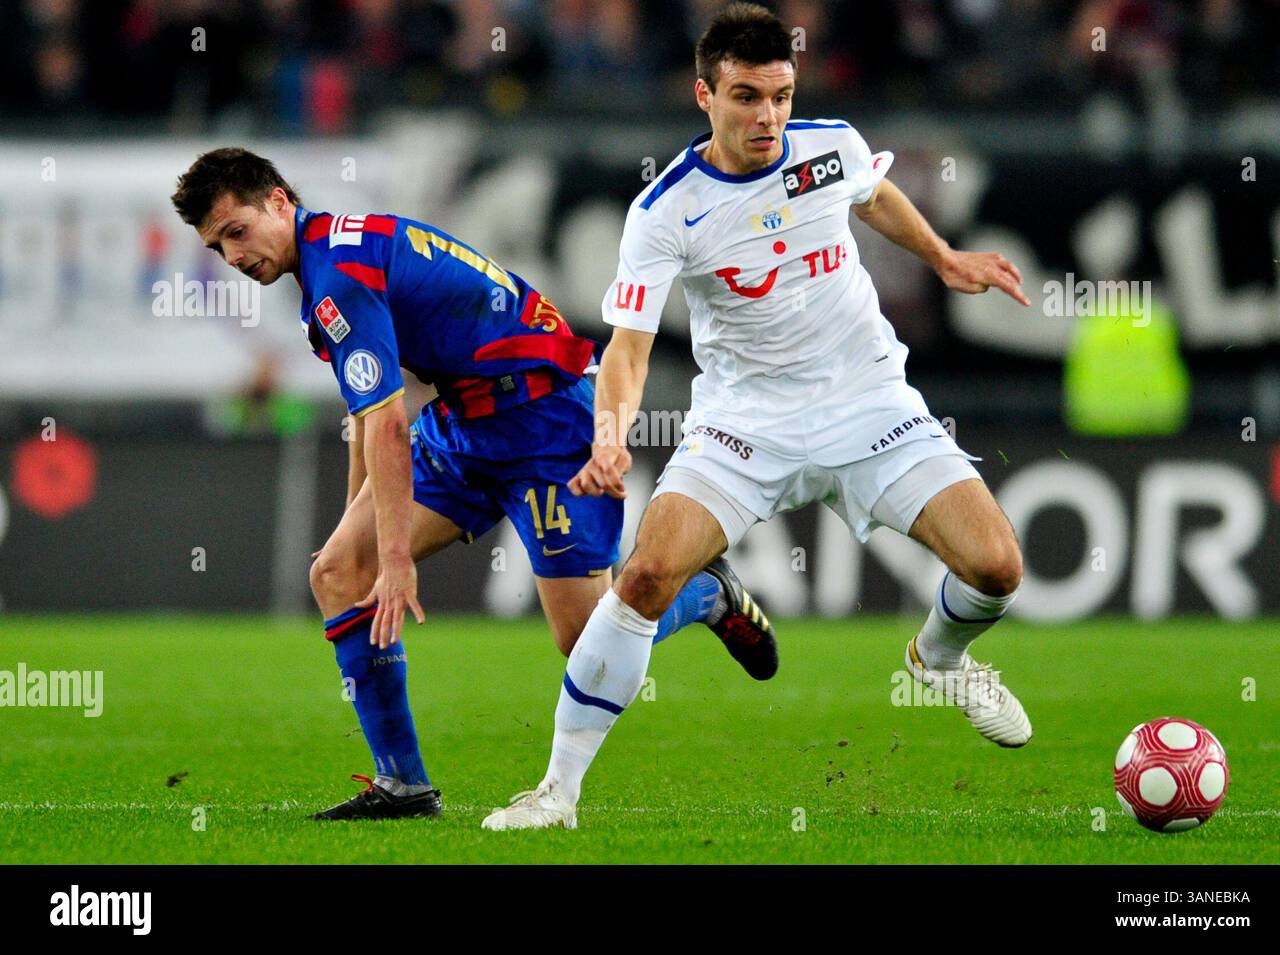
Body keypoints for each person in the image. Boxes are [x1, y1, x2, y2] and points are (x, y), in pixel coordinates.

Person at [482, 2, 1031, 832]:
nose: (767, 116)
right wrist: (609, 433)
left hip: (868, 399)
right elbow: (628, 348)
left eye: (779, 94)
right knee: (642, 579)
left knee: (997, 567)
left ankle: (939, 656)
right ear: (704, 95)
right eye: (745, 97)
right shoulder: (666, 211)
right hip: (744, 423)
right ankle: (555, 792)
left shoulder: (828, 145)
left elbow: (874, 194)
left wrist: (944, 257)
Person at [169, 147, 777, 821]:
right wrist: (361, 531)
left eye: (236, 232)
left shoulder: (337, 276)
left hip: (545, 419)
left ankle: (706, 594)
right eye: (217, 246)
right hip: (464, 423)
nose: (233, 256)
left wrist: (397, 557)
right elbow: (367, 411)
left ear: (279, 201)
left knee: (584, 641)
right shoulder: (332, 257)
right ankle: (402, 785)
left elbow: (390, 425)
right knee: (340, 570)